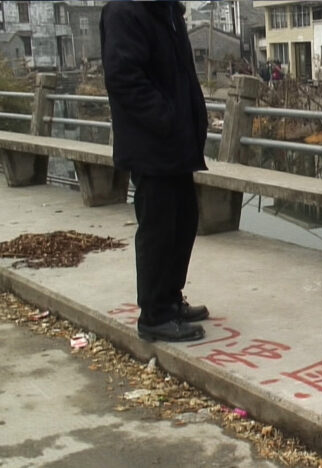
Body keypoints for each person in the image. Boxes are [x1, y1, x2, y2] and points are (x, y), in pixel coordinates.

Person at [101, 1, 209, 342]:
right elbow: (123, 78)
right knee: (159, 229)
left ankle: (170, 299)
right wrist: (166, 118)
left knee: (183, 222)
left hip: (177, 145)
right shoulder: (125, 12)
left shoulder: (168, 12)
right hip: (151, 145)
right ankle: (154, 314)